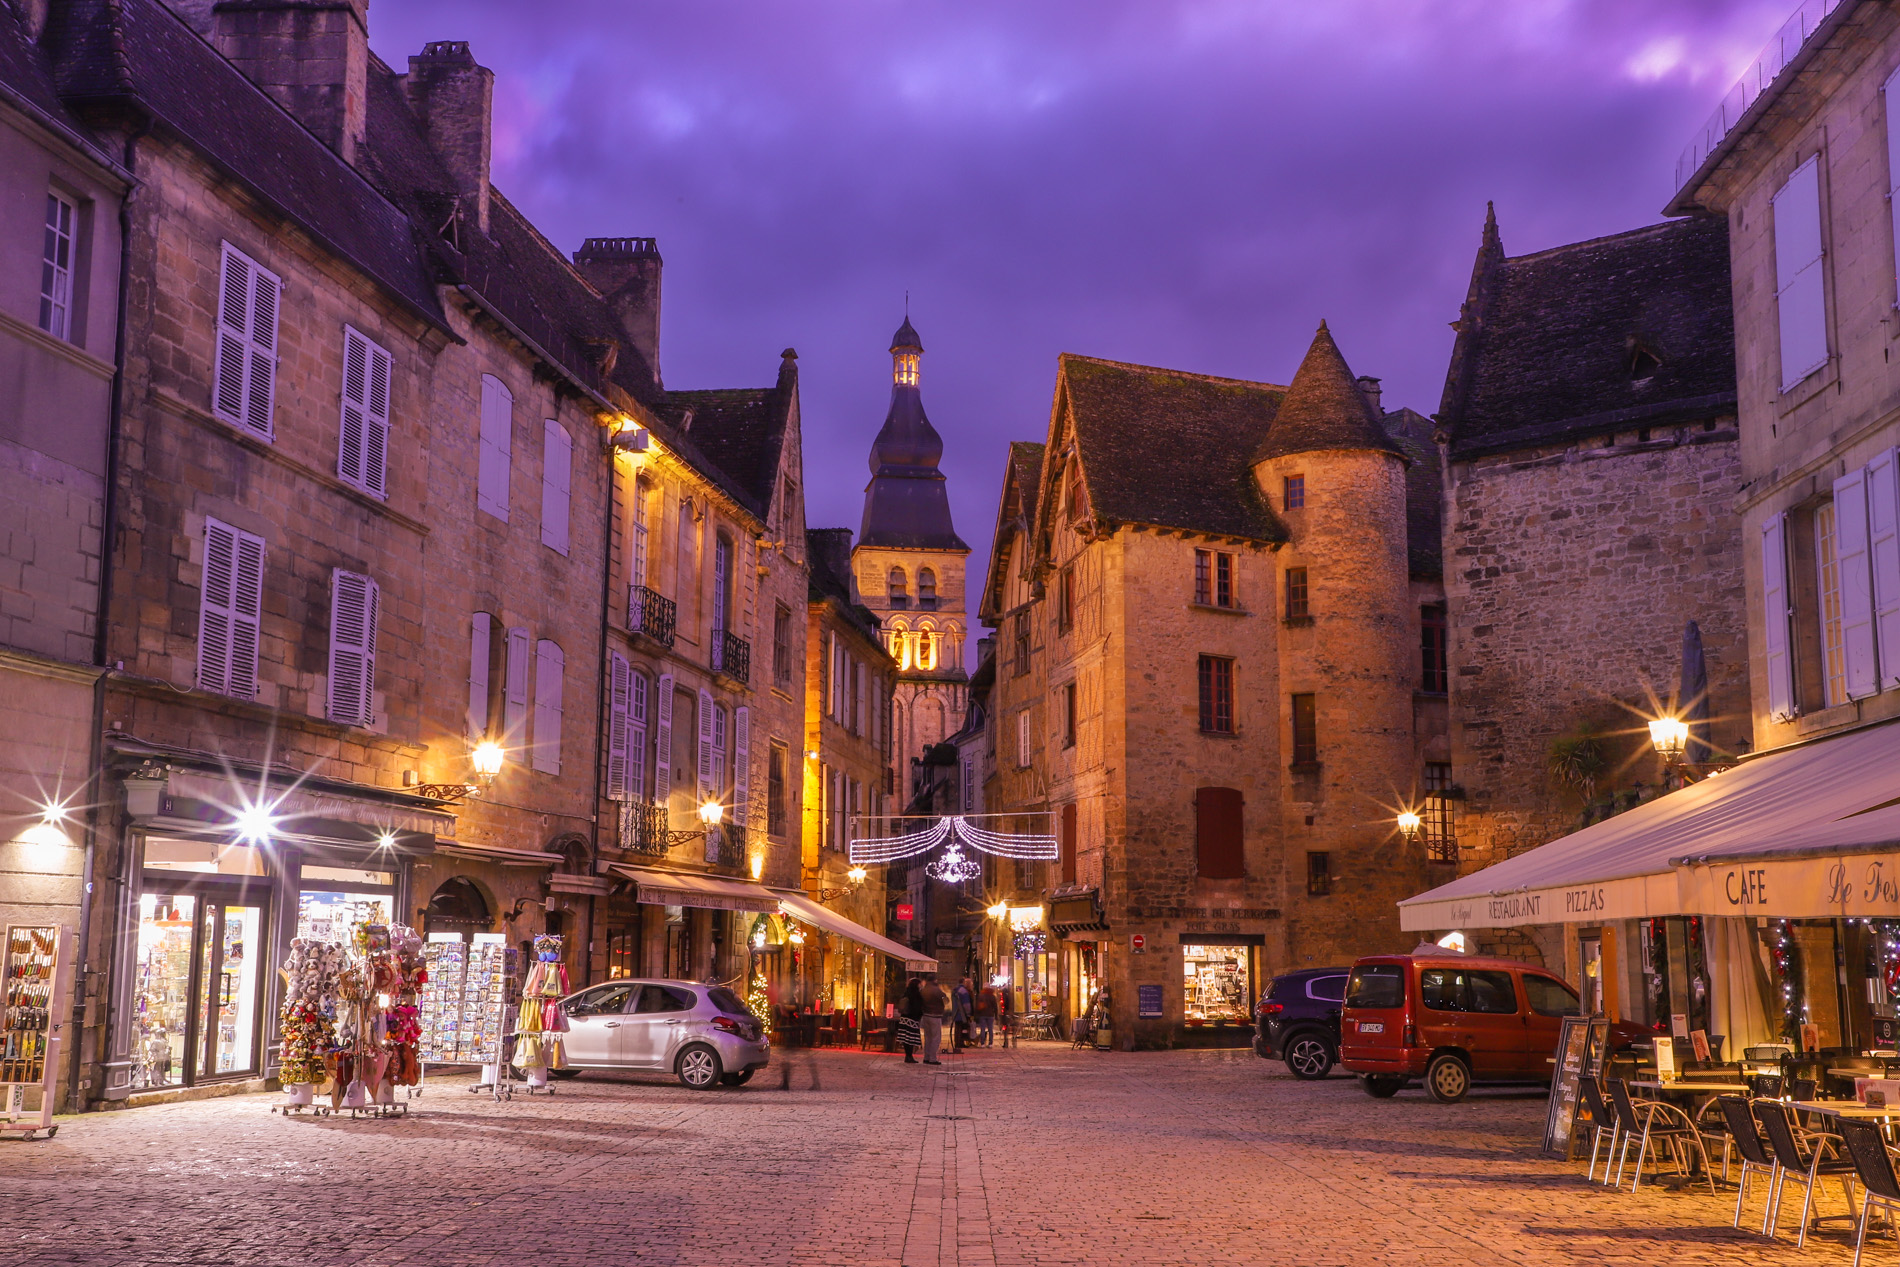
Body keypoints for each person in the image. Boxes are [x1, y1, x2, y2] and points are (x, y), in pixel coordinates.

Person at [919, 973, 948, 1065]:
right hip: (935, 1016)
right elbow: (945, 1000)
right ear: (934, 980)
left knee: (927, 1038)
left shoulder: (923, 990)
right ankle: (933, 1058)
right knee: (936, 1038)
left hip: (925, 1015)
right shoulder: (937, 990)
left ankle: (926, 1057)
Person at [897, 978, 923, 1063]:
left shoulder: (906, 993)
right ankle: (909, 1056)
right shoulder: (916, 994)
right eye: (920, 984)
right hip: (912, 1019)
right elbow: (917, 1007)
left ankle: (907, 1055)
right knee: (911, 1038)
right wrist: (919, 1015)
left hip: (904, 1018)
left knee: (905, 1038)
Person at [951, 977, 974, 1053]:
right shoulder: (963, 991)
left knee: (957, 1028)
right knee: (962, 1028)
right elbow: (966, 1004)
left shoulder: (955, 990)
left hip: (955, 1012)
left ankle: (958, 1042)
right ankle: (960, 1042)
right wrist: (968, 1013)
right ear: (964, 982)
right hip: (962, 1013)